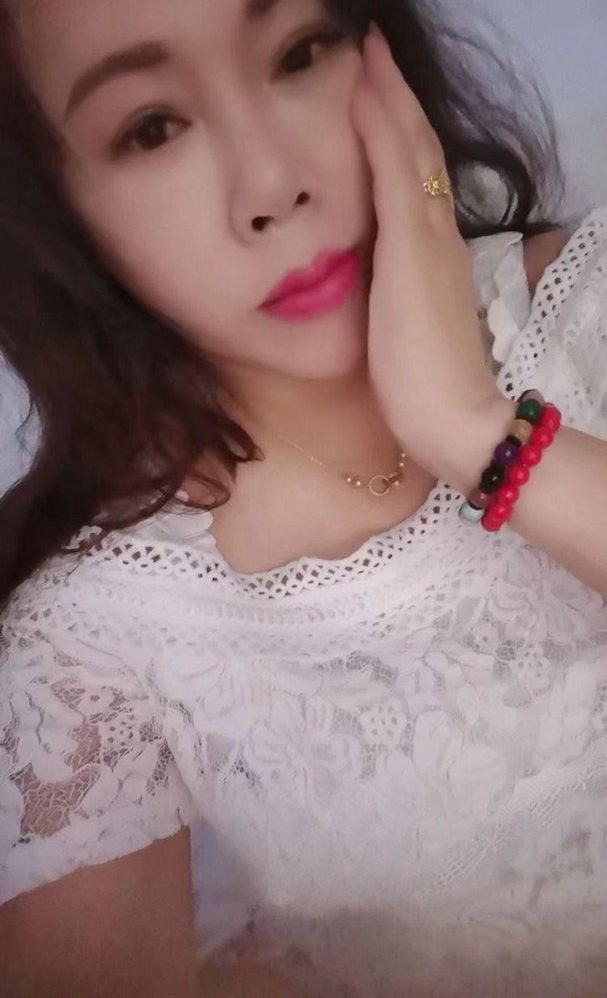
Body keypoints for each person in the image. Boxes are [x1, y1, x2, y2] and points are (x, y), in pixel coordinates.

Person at [0, 0, 606, 995]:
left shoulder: (587, 304)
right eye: (152, 127)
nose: (272, 186)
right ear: (56, 212)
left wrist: (470, 429)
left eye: (296, 53)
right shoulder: (88, 645)